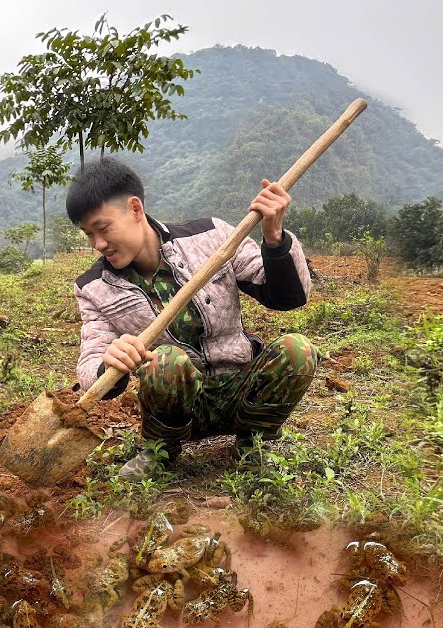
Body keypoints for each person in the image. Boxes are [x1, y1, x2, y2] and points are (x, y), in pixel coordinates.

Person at [69, 157, 318, 481]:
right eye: (89, 234)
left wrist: (274, 239)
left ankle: (253, 444)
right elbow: (90, 362)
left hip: (240, 391)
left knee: (297, 350)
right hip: (177, 409)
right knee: (164, 360)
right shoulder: (94, 287)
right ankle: (162, 452)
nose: (98, 244)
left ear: (134, 209)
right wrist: (109, 362)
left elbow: (288, 297)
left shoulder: (211, 237)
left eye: (102, 228)